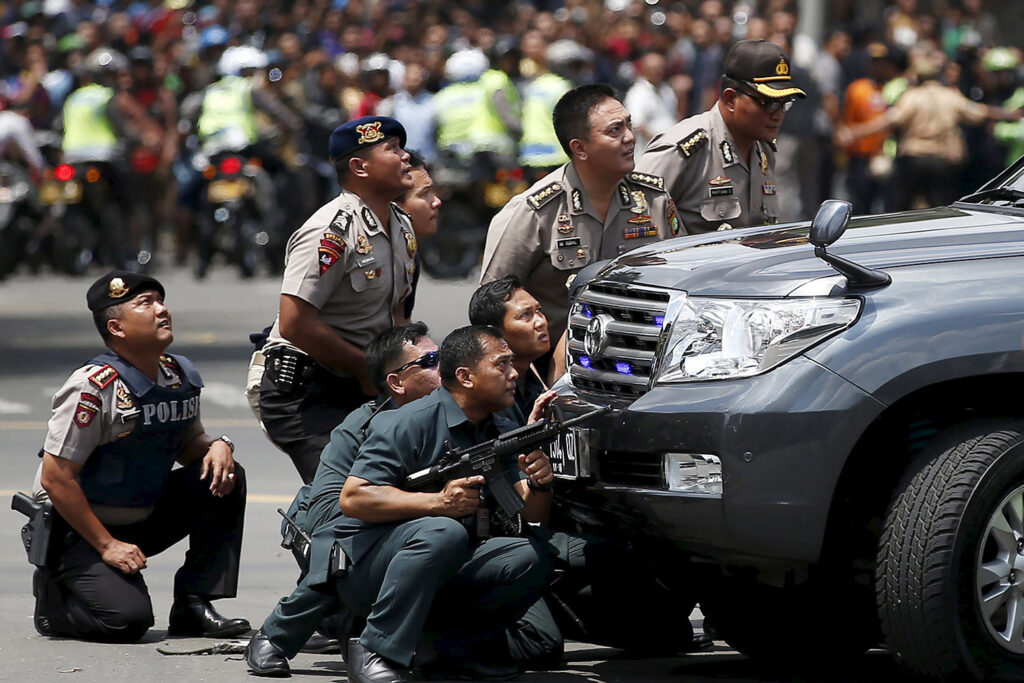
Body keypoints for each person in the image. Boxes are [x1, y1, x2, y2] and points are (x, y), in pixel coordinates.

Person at [29, 270, 248, 643]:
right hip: (79, 531)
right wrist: (107, 546)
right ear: (117, 328)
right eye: (145, 304)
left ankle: (194, 605)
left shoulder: (176, 376)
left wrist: (218, 445)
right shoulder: (92, 387)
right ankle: (55, 601)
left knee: (226, 475)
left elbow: (189, 442)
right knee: (127, 622)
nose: (162, 310)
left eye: (161, 301)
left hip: (142, 515)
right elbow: (56, 478)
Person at [337, 326, 555, 683]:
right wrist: (438, 502)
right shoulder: (408, 422)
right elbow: (354, 497)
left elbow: (530, 514)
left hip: (446, 560)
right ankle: (374, 648)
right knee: (443, 531)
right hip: (373, 567)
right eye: (501, 365)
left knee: (532, 556)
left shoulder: (498, 425)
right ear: (466, 377)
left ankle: (451, 649)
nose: (514, 374)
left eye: (512, 364)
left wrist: (539, 482)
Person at [245, 322, 441, 677]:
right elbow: (325, 510)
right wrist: (404, 506)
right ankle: (277, 634)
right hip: (336, 535)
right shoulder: (361, 426)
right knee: (355, 542)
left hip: (405, 536)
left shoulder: (448, 416)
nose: (440, 367)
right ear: (396, 382)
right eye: (429, 361)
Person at [258, 116, 417, 483]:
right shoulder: (330, 230)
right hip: (307, 391)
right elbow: (295, 322)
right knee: (345, 496)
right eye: (392, 149)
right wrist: (363, 366)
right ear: (360, 167)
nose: (405, 156)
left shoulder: (400, 224)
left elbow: (396, 312)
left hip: (362, 382)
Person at [481, 83, 680, 346]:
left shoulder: (653, 197)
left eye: (628, 125)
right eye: (614, 131)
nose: (630, 137)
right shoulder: (534, 211)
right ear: (580, 149)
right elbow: (492, 308)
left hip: (643, 355)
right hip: (556, 369)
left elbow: (680, 276)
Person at [635, 39, 807, 234]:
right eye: (768, 102)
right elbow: (636, 221)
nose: (778, 114)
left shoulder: (764, 149)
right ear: (730, 99)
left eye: (785, 103)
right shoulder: (685, 149)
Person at [836, 48, 1019, 210]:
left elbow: (888, 121)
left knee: (900, 211)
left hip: (914, 160)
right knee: (942, 211)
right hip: (944, 162)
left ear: (915, 76)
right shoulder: (951, 96)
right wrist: (1009, 114)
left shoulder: (911, 97)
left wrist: (856, 132)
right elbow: (980, 112)